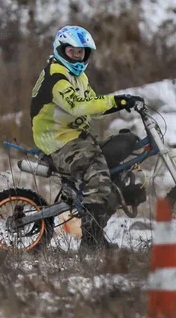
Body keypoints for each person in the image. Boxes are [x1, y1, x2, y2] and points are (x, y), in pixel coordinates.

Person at [30, 25, 142, 251]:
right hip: (58, 141)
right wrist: (115, 101)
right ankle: (90, 243)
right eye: (73, 52)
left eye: (82, 53)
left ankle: (96, 232)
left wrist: (123, 102)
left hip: (75, 137)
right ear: (61, 50)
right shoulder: (57, 77)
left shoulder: (78, 76)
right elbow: (78, 106)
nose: (78, 57)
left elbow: (93, 105)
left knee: (118, 168)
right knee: (100, 182)